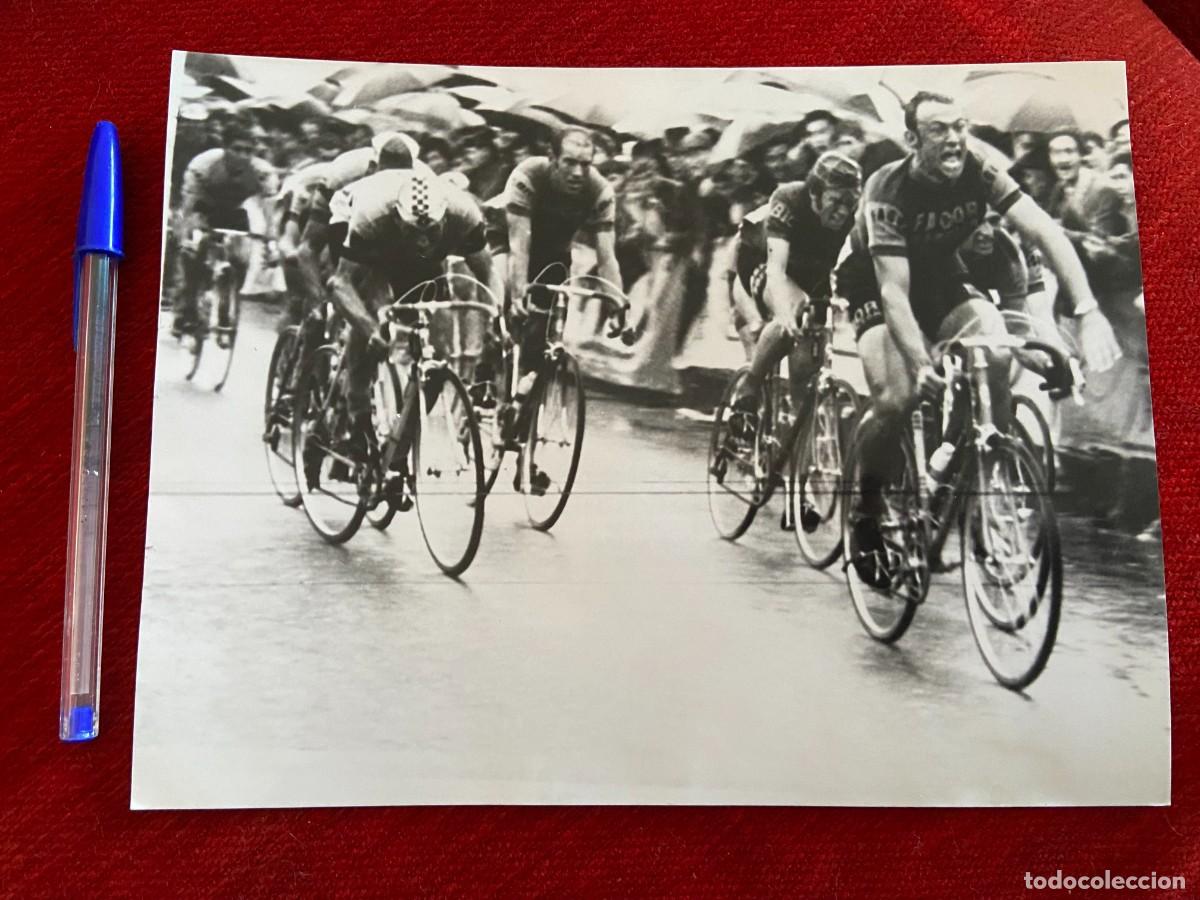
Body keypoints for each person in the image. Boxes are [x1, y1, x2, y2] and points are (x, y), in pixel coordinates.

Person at [834, 91, 1120, 566]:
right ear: (911, 140)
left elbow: (1046, 233)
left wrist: (1087, 312)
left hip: (937, 274)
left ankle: (971, 470)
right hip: (874, 279)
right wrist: (922, 362)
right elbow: (893, 295)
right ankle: (863, 515)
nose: (954, 140)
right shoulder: (888, 188)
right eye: (938, 130)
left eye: (960, 127)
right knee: (898, 397)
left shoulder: (980, 169)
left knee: (993, 343)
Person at [322, 171, 499, 469]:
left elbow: (489, 273)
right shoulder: (372, 216)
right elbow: (339, 284)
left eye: (430, 233)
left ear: (444, 220)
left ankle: (397, 445)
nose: (422, 242)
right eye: (414, 232)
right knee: (372, 317)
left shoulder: (464, 213)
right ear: (397, 217)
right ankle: (357, 411)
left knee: (434, 350)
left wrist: (497, 317)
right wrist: (370, 329)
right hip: (365, 231)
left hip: (414, 252)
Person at [500, 127, 624, 484]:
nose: (577, 172)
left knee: (540, 355)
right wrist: (518, 290)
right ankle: (489, 377)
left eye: (585, 164)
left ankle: (527, 461)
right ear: (551, 158)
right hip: (504, 244)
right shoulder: (528, 175)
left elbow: (608, 256)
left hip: (554, 255)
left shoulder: (600, 190)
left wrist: (616, 298)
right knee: (506, 306)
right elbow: (518, 246)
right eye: (569, 162)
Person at [728, 152, 863, 434]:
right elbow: (776, 270)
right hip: (762, 260)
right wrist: (784, 314)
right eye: (835, 201)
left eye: (850, 203)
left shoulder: (856, 216)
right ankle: (748, 387)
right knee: (794, 309)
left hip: (811, 273)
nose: (842, 211)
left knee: (805, 367)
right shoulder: (789, 198)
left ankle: (795, 445)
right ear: (815, 194)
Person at [172, 121, 276, 338]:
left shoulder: (262, 172)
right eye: (237, 149)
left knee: (241, 258)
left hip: (234, 210)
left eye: (248, 151)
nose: (243, 155)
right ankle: (185, 310)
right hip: (203, 206)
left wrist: (270, 241)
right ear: (225, 148)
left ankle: (227, 300)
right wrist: (186, 235)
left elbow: (269, 209)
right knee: (191, 259)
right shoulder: (203, 165)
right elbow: (189, 205)